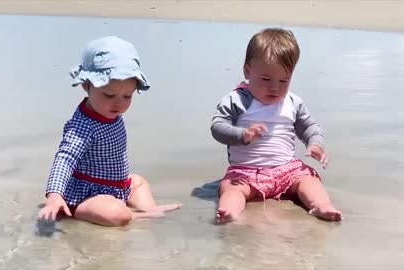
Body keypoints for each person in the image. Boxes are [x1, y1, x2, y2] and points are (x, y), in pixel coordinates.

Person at [38, 36, 181, 226]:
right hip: (88, 195)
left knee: (138, 181)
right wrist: (54, 195)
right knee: (116, 214)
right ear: (86, 84)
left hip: (117, 186)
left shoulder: (109, 113)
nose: (119, 103)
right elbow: (65, 158)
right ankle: (130, 215)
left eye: (127, 96)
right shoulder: (83, 125)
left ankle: (149, 210)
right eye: (109, 94)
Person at [211, 28, 342, 223]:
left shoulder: (292, 102)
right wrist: (242, 134)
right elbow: (217, 127)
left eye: (283, 80)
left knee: (308, 180)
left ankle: (321, 205)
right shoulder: (237, 100)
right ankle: (229, 211)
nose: (275, 87)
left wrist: (314, 143)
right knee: (231, 187)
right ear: (248, 71)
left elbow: (308, 126)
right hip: (246, 172)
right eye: (265, 79)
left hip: (287, 170)